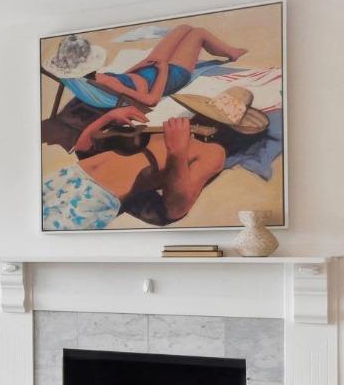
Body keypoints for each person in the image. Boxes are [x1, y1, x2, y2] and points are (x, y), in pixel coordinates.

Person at [41, 85, 267, 231]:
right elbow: (83, 149)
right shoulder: (166, 128)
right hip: (68, 174)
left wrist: (177, 151)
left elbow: (176, 209)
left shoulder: (213, 152)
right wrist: (109, 116)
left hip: (93, 199)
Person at [43, 24, 248, 111]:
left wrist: (143, 64)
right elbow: (152, 100)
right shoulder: (107, 83)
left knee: (184, 29)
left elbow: (124, 80)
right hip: (170, 76)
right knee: (198, 33)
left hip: (146, 71)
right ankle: (231, 53)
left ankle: (226, 51)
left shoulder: (90, 80)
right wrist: (164, 69)